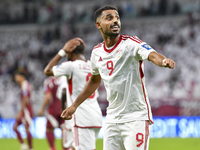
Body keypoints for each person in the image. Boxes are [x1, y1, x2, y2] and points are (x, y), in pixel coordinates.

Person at [60, 5, 176, 150]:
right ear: (98, 25)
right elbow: (94, 80)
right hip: (112, 118)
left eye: (117, 18)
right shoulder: (97, 52)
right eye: (109, 18)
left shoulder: (131, 43)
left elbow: (152, 54)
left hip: (136, 117)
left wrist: (163, 61)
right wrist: (74, 106)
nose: (115, 21)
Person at [44, 38, 102, 150]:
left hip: (82, 118)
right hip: (96, 115)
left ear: (69, 52)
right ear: (83, 52)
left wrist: (62, 51)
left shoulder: (71, 66)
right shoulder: (92, 65)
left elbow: (48, 70)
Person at [38, 76, 65, 150]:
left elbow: (48, 96)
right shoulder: (63, 79)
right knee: (64, 130)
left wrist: (42, 108)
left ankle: (52, 148)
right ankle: (64, 148)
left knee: (49, 129)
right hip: (64, 108)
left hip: (53, 109)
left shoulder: (49, 81)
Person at [13, 71, 34, 150]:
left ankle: (31, 148)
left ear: (22, 77)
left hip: (26, 111)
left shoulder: (25, 85)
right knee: (15, 127)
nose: (16, 78)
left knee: (27, 129)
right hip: (25, 110)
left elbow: (25, 99)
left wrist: (21, 111)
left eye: (17, 76)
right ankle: (23, 145)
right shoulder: (24, 85)